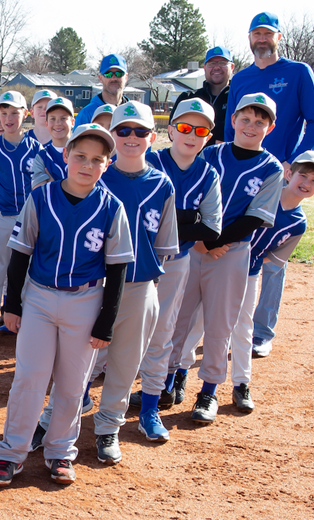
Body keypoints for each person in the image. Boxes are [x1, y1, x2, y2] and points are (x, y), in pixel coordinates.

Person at [30, 102, 179, 463]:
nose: (131, 137)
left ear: (152, 137)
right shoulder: (94, 175)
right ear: (112, 138)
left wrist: (150, 286)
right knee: (75, 364)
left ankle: (108, 425)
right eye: (123, 130)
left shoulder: (161, 183)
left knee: (125, 363)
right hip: (92, 287)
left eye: (140, 131)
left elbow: (166, 248)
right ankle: (52, 419)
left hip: (140, 286)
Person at [0, 123, 133, 487]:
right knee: (30, 378)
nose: (87, 164)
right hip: (38, 296)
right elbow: (20, 254)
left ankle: (60, 452)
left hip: (85, 299)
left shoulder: (111, 207)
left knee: (71, 384)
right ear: (65, 156)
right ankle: (11, 453)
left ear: (107, 164)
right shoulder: (41, 198)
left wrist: (106, 321)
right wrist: (12, 304)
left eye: (97, 159)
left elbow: (118, 269)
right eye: (79, 156)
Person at [170, 93, 284, 425]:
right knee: (179, 318)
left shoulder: (271, 168)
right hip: (194, 247)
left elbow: (254, 218)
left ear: (270, 127)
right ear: (232, 120)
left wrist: (213, 240)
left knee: (220, 326)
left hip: (232, 251)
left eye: (260, 121)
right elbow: (191, 199)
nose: (251, 126)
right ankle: (168, 381)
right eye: (245, 119)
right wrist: (201, 239)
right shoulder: (210, 153)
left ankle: (208, 391)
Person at [226, 14, 314, 361]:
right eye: (256, 33)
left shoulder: (298, 72)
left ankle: (262, 331)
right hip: (244, 175)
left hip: (281, 174)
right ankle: (224, 324)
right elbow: (232, 130)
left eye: (268, 33)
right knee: (234, 245)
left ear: (278, 37)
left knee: (272, 254)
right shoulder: (241, 78)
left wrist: (297, 161)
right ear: (250, 37)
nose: (262, 38)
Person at [124, 100, 223, 429]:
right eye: (183, 128)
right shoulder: (149, 161)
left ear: (208, 137)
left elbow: (211, 228)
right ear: (169, 130)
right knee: (106, 331)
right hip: (130, 262)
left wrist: (167, 221)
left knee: (162, 333)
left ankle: (150, 407)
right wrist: (186, 217)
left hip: (175, 261)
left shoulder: (208, 174)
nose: (191, 135)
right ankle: (80, 395)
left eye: (200, 130)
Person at [228, 151, 314, 411]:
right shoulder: (264, 196)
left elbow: (275, 260)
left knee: (243, 327)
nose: (306, 183)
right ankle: (173, 379)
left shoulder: (298, 223)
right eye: (302, 175)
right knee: (195, 323)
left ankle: (241, 384)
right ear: (288, 174)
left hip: (248, 273)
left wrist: (253, 259)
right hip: (220, 263)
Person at [0, 91, 45, 338]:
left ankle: (14, 314)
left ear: (25, 114)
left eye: (14, 112)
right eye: (3, 113)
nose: (8, 118)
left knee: (25, 272)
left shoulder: (37, 149)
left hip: (27, 220)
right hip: (0, 218)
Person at [170, 46, 236, 148]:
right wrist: (221, 129)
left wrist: (197, 128)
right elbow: (174, 132)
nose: (217, 67)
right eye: (212, 63)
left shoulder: (238, 98)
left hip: (224, 161)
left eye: (222, 63)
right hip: (191, 160)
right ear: (204, 68)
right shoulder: (187, 98)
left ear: (232, 67)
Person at [30, 96, 75, 188]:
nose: (58, 123)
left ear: (72, 122)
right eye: (52, 119)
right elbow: (39, 192)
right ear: (46, 123)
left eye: (63, 118)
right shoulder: (42, 156)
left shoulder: (82, 152)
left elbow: (85, 190)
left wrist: (52, 184)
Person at [74, 54, 130, 127]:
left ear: (126, 77)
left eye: (119, 74)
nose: (113, 78)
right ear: (100, 78)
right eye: (108, 74)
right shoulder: (87, 113)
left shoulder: (132, 112)